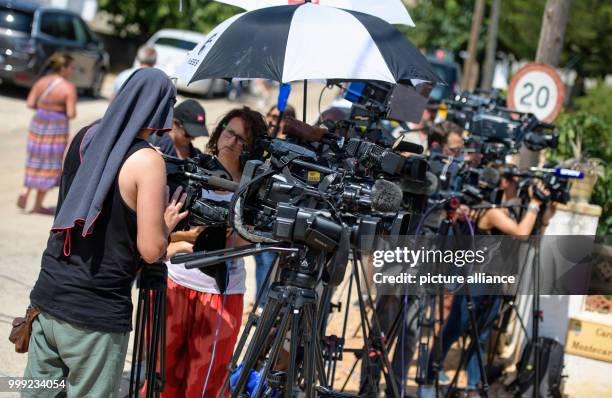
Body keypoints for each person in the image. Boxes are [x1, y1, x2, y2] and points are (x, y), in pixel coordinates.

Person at [23, 68, 186, 398]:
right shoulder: (147, 161)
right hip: (95, 313)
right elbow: (152, 251)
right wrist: (166, 225)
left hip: (48, 298)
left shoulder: (84, 136)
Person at [420, 167, 557, 398]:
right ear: (503, 183)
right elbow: (521, 233)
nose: (521, 184)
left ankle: (474, 388)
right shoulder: (489, 211)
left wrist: (545, 217)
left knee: (481, 338)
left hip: (495, 283)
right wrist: (534, 204)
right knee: (455, 329)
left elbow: (533, 241)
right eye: (515, 179)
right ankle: (428, 380)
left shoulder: (509, 211)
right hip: (475, 281)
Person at [159, 107, 267, 398]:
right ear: (219, 133)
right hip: (177, 281)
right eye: (229, 132)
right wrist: (193, 237)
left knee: (206, 381)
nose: (232, 141)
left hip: (221, 292)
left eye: (242, 138)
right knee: (164, 374)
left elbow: (248, 243)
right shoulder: (191, 169)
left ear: (252, 146)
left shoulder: (254, 188)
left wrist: (231, 237)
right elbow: (164, 226)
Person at [18, 53, 77, 215]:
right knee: (49, 163)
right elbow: (71, 113)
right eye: (71, 67)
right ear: (63, 68)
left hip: (39, 122)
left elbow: (30, 103)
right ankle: (37, 205)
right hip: (56, 127)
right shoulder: (68, 87)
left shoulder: (41, 82)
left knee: (34, 157)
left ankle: (25, 190)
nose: (73, 70)